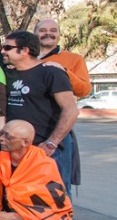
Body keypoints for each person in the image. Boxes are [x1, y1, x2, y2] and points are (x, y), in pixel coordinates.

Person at [2, 31, 78, 196]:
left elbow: (71, 109)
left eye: (7, 47)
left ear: (25, 50)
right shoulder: (8, 73)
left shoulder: (51, 72)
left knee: (56, 195)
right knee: (24, 196)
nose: (3, 51)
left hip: (46, 148)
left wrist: (52, 143)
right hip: (17, 149)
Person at [36, 19, 91, 195]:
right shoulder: (26, 58)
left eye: (53, 30)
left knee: (58, 186)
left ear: (59, 34)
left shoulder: (73, 59)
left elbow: (84, 90)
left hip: (56, 132)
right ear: (35, 34)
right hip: (27, 132)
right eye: (43, 30)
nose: (48, 33)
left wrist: (63, 71)